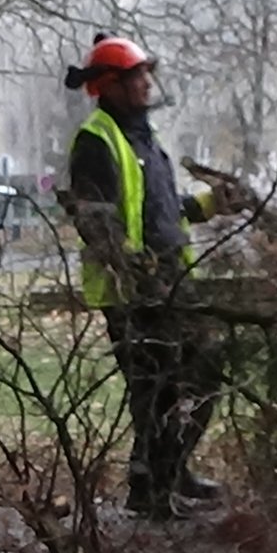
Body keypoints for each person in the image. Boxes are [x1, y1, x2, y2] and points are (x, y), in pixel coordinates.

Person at [64, 33, 252, 520]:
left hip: (171, 282)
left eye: (147, 74)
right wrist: (134, 267)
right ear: (110, 86)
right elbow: (98, 221)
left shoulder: (144, 139)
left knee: (203, 374)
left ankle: (173, 470)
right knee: (156, 389)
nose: (147, 83)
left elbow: (164, 213)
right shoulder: (96, 141)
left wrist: (213, 203)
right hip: (134, 290)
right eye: (137, 77)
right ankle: (151, 488)